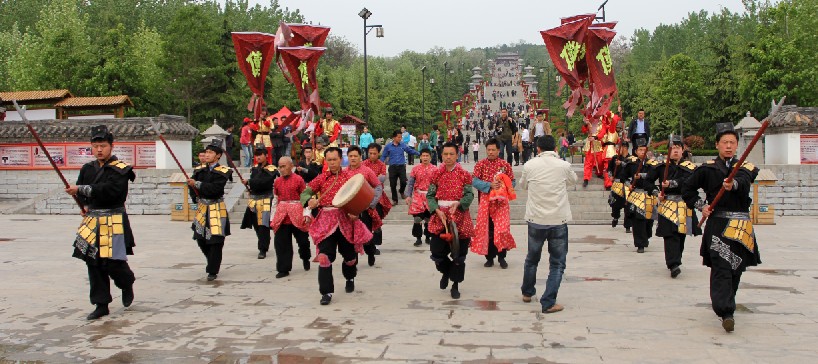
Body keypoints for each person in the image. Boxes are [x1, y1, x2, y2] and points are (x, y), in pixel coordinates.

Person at [682, 122, 760, 333]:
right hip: (717, 224)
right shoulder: (707, 169)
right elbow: (687, 189)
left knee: (736, 268)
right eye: (724, 142)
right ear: (717, 145)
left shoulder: (745, 169)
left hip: (740, 226)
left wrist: (732, 185)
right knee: (722, 267)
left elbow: (744, 182)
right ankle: (725, 310)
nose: (728, 146)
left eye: (732, 143)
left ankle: (728, 304)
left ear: (737, 146)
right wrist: (701, 206)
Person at [66, 125, 137, 320]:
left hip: (113, 219)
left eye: (103, 145)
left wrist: (81, 190)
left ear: (111, 147)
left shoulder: (120, 169)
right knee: (93, 262)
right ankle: (101, 303)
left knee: (113, 262)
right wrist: (84, 204)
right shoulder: (87, 168)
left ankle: (126, 282)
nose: (99, 150)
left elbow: (112, 191)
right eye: (96, 146)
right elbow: (82, 194)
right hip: (92, 221)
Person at [300, 147, 373, 305]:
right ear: (325, 160)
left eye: (335, 159)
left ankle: (350, 277)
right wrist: (309, 201)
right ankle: (326, 292)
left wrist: (357, 212)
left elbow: (362, 198)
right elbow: (305, 193)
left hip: (345, 220)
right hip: (325, 221)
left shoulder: (350, 177)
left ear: (341, 159)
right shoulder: (321, 178)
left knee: (349, 257)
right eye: (329, 160)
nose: (332, 163)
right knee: (324, 257)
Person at [519, 135, 576, 314]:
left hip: (536, 220)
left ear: (538, 149)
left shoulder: (529, 165)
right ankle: (549, 301)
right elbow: (573, 181)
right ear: (555, 149)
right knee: (557, 263)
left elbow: (523, 186)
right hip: (558, 220)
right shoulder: (563, 166)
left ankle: (527, 292)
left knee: (532, 258)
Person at [427, 142, 475, 299]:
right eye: (445, 154)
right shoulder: (436, 174)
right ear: (441, 155)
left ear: (457, 155)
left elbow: (469, 195)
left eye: (451, 154)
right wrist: (436, 209)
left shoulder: (464, 174)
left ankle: (455, 284)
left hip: (459, 218)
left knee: (459, 255)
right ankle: (446, 272)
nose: (448, 157)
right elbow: (430, 196)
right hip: (439, 217)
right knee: (437, 252)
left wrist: (459, 203)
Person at [652, 135, 701, 278]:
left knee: (680, 235)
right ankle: (673, 263)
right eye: (672, 148)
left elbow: (690, 182)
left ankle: (676, 260)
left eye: (678, 148)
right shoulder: (661, 167)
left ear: (683, 150)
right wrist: (656, 192)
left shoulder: (690, 168)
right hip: (667, 204)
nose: (675, 151)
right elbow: (648, 181)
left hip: (684, 205)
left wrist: (672, 183)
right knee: (670, 234)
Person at [189, 139, 233, 281]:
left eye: (210, 152)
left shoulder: (224, 172)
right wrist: (194, 193)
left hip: (216, 207)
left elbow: (215, 189)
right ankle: (212, 261)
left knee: (215, 240)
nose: (207, 155)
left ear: (218, 155)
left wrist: (197, 184)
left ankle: (213, 269)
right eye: (206, 152)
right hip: (202, 207)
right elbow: (192, 187)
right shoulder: (199, 170)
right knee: (200, 238)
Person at [470, 138, 516, 269]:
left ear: (498, 150)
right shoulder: (480, 164)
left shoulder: (505, 165)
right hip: (485, 201)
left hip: (501, 202)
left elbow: (512, 181)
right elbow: (474, 180)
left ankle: (502, 257)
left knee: (501, 229)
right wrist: (489, 185)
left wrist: (503, 185)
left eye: (493, 150)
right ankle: (489, 257)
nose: (490, 152)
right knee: (487, 230)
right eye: (488, 150)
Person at [270, 156, 312, 277]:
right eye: (280, 167)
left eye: (284, 166)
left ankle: (305, 257)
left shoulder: (299, 180)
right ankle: (283, 269)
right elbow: (275, 199)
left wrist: (307, 214)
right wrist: (272, 217)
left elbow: (305, 198)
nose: (281, 169)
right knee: (281, 242)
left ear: (291, 166)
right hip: (282, 215)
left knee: (303, 241)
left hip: (297, 214)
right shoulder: (277, 181)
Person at [345, 146, 385, 266]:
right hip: (350, 211)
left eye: (355, 156)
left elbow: (378, 186)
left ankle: (371, 252)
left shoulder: (367, 171)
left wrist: (371, 204)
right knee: (351, 237)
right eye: (350, 156)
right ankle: (353, 261)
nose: (353, 158)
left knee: (366, 236)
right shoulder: (344, 172)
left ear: (360, 157)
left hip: (365, 210)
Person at [239, 143, 278, 260]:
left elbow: (264, 182)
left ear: (266, 155)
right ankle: (263, 241)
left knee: (263, 225)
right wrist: (249, 185)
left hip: (265, 200)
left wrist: (249, 182)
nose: (258, 157)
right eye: (256, 155)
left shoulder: (272, 169)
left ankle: (263, 248)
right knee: (256, 225)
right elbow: (255, 183)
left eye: (260, 155)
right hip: (254, 200)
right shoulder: (255, 169)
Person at [624, 138, 658, 253]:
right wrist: (629, 184)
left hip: (649, 194)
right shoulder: (631, 164)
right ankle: (640, 243)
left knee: (648, 220)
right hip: (637, 194)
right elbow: (624, 177)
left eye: (644, 150)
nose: (643, 152)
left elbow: (654, 176)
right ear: (636, 151)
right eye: (640, 150)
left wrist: (643, 175)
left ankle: (646, 236)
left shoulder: (652, 165)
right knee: (638, 219)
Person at [362, 143, 393, 254]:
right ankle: (367, 243)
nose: (372, 155)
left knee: (377, 219)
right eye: (370, 153)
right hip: (365, 195)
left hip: (378, 196)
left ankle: (376, 244)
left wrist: (370, 179)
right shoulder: (363, 164)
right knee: (366, 221)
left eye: (374, 153)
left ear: (378, 153)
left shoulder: (382, 165)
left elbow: (382, 179)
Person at [404, 148, 436, 246]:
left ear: (430, 157)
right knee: (417, 218)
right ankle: (418, 238)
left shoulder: (435, 169)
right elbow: (410, 183)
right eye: (423, 156)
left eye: (427, 156)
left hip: (430, 196)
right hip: (418, 196)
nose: (425, 158)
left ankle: (428, 236)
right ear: (420, 157)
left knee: (428, 218)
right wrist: (408, 195)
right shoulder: (415, 169)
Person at [381, 130, 420, 205]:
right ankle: (395, 200)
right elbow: (383, 156)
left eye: (401, 137)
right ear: (394, 137)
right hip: (392, 167)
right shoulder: (388, 146)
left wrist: (419, 153)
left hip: (401, 167)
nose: (400, 139)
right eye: (398, 137)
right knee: (393, 184)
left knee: (403, 182)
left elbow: (409, 150)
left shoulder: (402, 145)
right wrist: (380, 163)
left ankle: (401, 191)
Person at [608, 142, 633, 233]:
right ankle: (615, 217)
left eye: (622, 147)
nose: (620, 149)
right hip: (617, 183)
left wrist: (621, 163)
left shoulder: (631, 159)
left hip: (627, 184)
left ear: (626, 148)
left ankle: (628, 226)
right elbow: (609, 169)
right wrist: (610, 175)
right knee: (615, 204)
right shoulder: (615, 158)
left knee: (628, 205)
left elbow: (630, 167)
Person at [581, 115, 609, 188]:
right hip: (590, 145)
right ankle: (586, 179)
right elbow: (584, 130)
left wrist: (595, 137)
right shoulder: (590, 123)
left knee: (599, 162)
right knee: (588, 162)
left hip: (598, 145)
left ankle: (599, 173)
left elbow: (602, 133)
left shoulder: (602, 124)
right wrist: (586, 124)